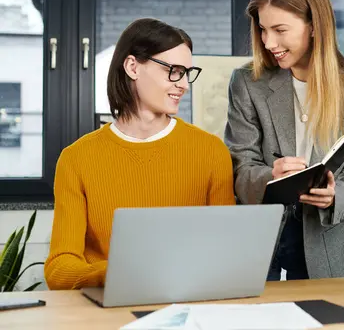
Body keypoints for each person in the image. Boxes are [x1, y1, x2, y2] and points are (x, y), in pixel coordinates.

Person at [45, 18, 236, 290]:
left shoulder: (211, 152)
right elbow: (60, 266)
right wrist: (119, 274)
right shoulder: (76, 159)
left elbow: (225, 253)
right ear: (132, 66)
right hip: (107, 310)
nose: (183, 84)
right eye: (174, 71)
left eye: (187, 73)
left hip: (188, 304)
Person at [224, 0, 344, 280]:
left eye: (280, 30)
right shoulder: (247, 82)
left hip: (321, 242)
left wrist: (335, 196)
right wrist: (271, 175)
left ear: (314, 26)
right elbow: (239, 165)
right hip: (256, 240)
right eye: (262, 29)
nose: (268, 42)